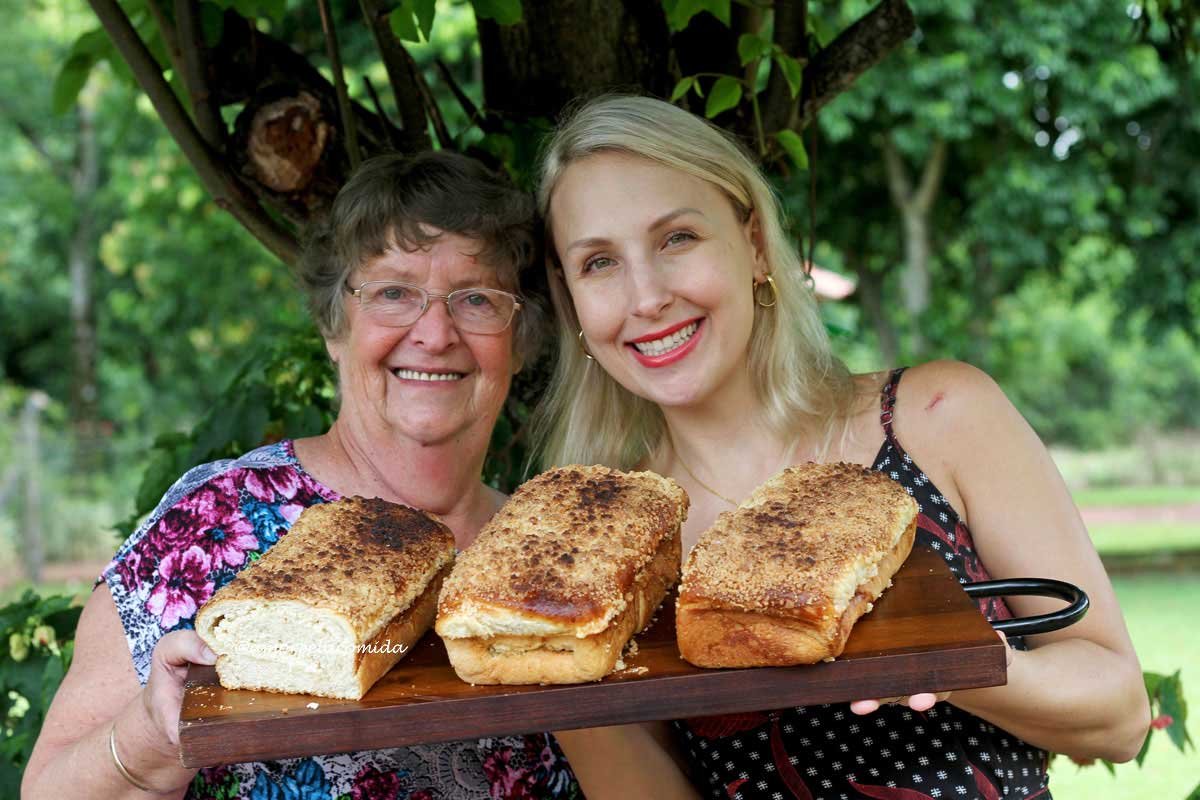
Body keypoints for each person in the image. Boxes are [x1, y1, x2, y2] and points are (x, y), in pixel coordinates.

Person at [533, 95, 1150, 800]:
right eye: (600, 262)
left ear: (757, 244)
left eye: (677, 238)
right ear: (570, 299)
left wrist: (938, 665)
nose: (646, 297)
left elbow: (1120, 715)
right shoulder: (614, 546)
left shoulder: (938, 416)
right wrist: (566, 689)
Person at [22, 152, 581, 799]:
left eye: (476, 298)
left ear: (521, 334)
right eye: (394, 292)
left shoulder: (549, 558)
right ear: (333, 325)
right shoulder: (216, 521)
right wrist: (152, 736)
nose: (434, 333)